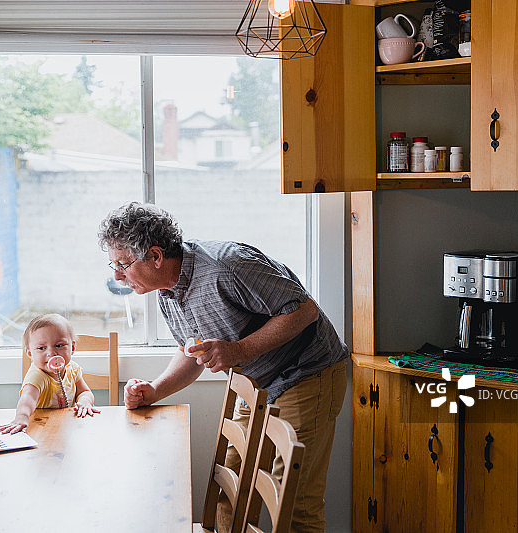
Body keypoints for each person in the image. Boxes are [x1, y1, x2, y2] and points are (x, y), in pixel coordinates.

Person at [98, 202, 348, 533]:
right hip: (256, 382)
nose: (117, 275)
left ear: (156, 257)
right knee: (231, 495)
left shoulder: (227, 265)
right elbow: (190, 351)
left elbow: (304, 311)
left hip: (305, 374)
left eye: (123, 264)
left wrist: (238, 350)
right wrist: (155, 390)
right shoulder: (167, 290)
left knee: (296, 505)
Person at [0, 313, 100, 434]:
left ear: (72, 348)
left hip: (68, 428)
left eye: (59, 345)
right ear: (30, 353)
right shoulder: (37, 376)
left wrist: (85, 401)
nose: (51, 353)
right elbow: (27, 399)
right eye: (41, 348)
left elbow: (84, 392)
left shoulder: (73, 369)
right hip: (42, 428)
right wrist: (21, 417)